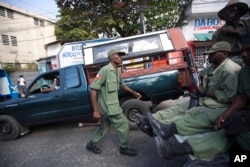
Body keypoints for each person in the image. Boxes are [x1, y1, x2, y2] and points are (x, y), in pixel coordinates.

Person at [137, 41, 241, 159]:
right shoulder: (214, 66)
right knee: (180, 107)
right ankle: (152, 122)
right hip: (207, 101)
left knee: (194, 117)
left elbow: (229, 96)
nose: (209, 56)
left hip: (220, 105)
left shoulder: (231, 70)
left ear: (224, 54)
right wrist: (195, 73)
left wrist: (206, 92)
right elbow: (202, 77)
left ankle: (168, 132)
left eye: (212, 53)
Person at [86, 49, 141, 156]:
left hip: (112, 105)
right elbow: (93, 89)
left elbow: (122, 84)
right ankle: (124, 148)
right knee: (124, 124)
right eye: (118, 55)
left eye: (121, 56)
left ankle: (91, 143)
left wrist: (133, 92)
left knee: (105, 126)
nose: (121, 57)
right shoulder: (105, 70)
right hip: (108, 107)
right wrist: (96, 110)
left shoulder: (117, 70)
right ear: (111, 57)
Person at [214, 35, 250, 151]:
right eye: (242, 51)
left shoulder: (230, 68)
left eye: (249, 50)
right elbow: (243, 96)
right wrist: (226, 114)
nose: (244, 54)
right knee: (230, 120)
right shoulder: (245, 71)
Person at [212, 1, 250, 65]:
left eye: (232, 10)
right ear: (223, 17)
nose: (228, 13)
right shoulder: (218, 34)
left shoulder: (248, 25)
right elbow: (214, 54)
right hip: (228, 62)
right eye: (225, 12)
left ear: (239, 11)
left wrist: (236, 33)